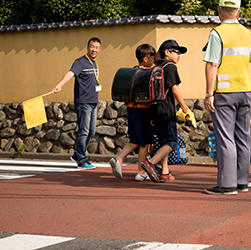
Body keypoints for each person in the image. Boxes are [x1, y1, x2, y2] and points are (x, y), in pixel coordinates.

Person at [203, 0, 251, 195]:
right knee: (242, 137)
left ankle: (227, 185)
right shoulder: (248, 34)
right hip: (245, 93)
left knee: (225, 138)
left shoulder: (217, 33)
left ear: (219, 10)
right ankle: (242, 182)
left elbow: (212, 64)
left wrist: (208, 94)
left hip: (224, 93)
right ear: (239, 12)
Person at [141, 39, 190, 183]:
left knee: (163, 142)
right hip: (166, 110)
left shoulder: (155, 67)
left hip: (154, 110)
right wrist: (184, 107)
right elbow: (174, 88)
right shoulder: (170, 67)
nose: (179, 55)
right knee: (172, 141)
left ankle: (164, 172)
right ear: (167, 52)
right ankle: (151, 163)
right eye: (177, 52)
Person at [52, 37, 101, 169]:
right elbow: (70, 73)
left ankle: (77, 154)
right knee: (83, 131)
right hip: (83, 102)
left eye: (97, 48)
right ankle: (81, 159)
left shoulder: (93, 63)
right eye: (92, 47)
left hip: (93, 102)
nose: (94, 50)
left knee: (91, 132)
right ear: (87, 47)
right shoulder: (80, 62)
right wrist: (60, 85)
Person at [109, 44, 156, 181]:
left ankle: (118, 159)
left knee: (135, 139)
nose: (153, 61)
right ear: (146, 59)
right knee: (144, 142)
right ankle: (140, 172)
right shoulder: (146, 74)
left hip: (131, 108)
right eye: (152, 59)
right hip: (143, 110)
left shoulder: (132, 72)